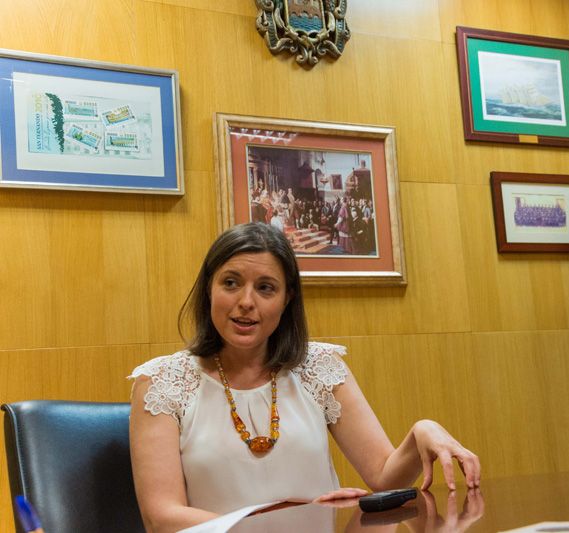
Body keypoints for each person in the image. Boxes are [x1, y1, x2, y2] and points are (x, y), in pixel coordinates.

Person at [128, 222, 480, 532]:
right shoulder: (161, 382)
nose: (246, 302)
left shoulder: (320, 367)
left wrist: (421, 432)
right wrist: (296, 517)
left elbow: (383, 477)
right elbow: (162, 518)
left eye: (266, 288)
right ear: (209, 289)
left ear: (286, 299)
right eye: (231, 283)